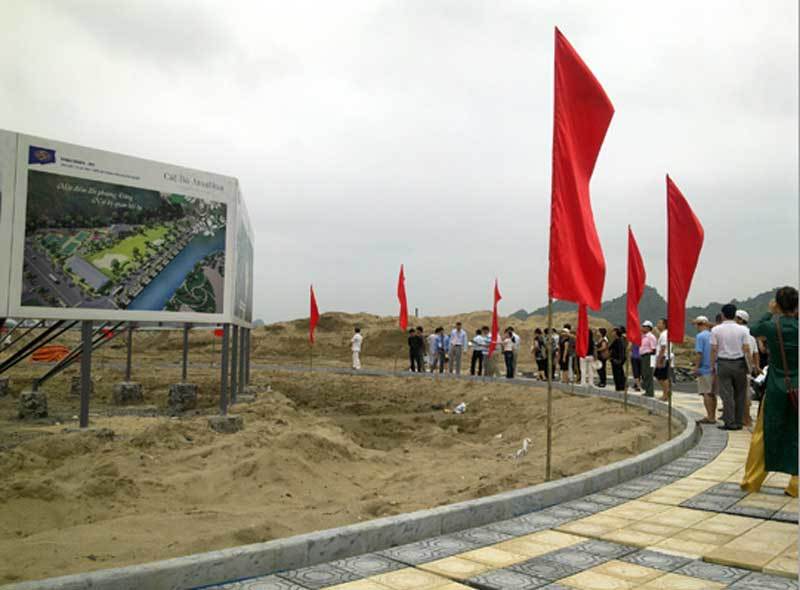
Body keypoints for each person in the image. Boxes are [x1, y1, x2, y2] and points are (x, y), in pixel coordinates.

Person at [741, 286, 798, 497]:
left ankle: (752, 481)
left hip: (775, 388)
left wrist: (769, 312)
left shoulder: (773, 326)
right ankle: (795, 485)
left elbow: (753, 329)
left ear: (778, 305)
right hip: (798, 388)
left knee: (764, 433)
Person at [711, 303, 751, 430]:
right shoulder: (743, 330)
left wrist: (712, 365)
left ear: (722, 315)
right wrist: (750, 366)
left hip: (723, 363)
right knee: (740, 393)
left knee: (726, 394)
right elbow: (746, 349)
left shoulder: (716, 330)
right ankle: (739, 422)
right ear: (734, 315)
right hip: (739, 363)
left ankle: (729, 422)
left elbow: (714, 349)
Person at [736, 309, 758, 428]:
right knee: (745, 393)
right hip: (746, 367)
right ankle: (745, 418)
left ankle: (746, 419)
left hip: (741, 366)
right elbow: (756, 353)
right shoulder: (751, 335)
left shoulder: (742, 333)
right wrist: (755, 366)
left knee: (743, 394)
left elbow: (748, 351)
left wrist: (749, 366)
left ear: (740, 320)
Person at [693, 316, 716, 424]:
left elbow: (699, 353)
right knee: (712, 393)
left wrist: (696, 367)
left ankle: (710, 417)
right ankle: (713, 415)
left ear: (700, 325)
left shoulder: (700, 336)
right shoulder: (713, 334)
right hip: (713, 368)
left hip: (704, 368)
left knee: (706, 393)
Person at [654, 318, 672, 401]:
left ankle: (666, 394)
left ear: (664, 325)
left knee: (663, 377)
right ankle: (666, 393)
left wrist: (659, 359)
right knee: (659, 376)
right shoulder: (663, 334)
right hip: (663, 357)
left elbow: (663, 348)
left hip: (663, 358)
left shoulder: (665, 334)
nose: (658, 325)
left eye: (659, 323)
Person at [639, 321, 657, 397]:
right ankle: (647, 389)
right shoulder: (644, 336)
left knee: (648, 374)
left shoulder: (651, 337)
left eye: (644, 326)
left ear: (648, 328)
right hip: (644, 356)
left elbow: (654, 349)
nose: (642, 328)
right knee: (644, 373)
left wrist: (652, 361)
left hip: (649, 356)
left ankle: (650, 392)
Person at [609, 326, 627, 391]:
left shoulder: (620, 340)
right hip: (614, 359)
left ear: (616, 333)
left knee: (618, 374)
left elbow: (621, 351)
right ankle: (618, 386)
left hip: (617, 360)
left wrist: (620, 360)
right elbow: (610, 347)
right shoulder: (616, 340)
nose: (612, 333)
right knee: (617, 374)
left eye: (613, 332)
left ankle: (621, 386)